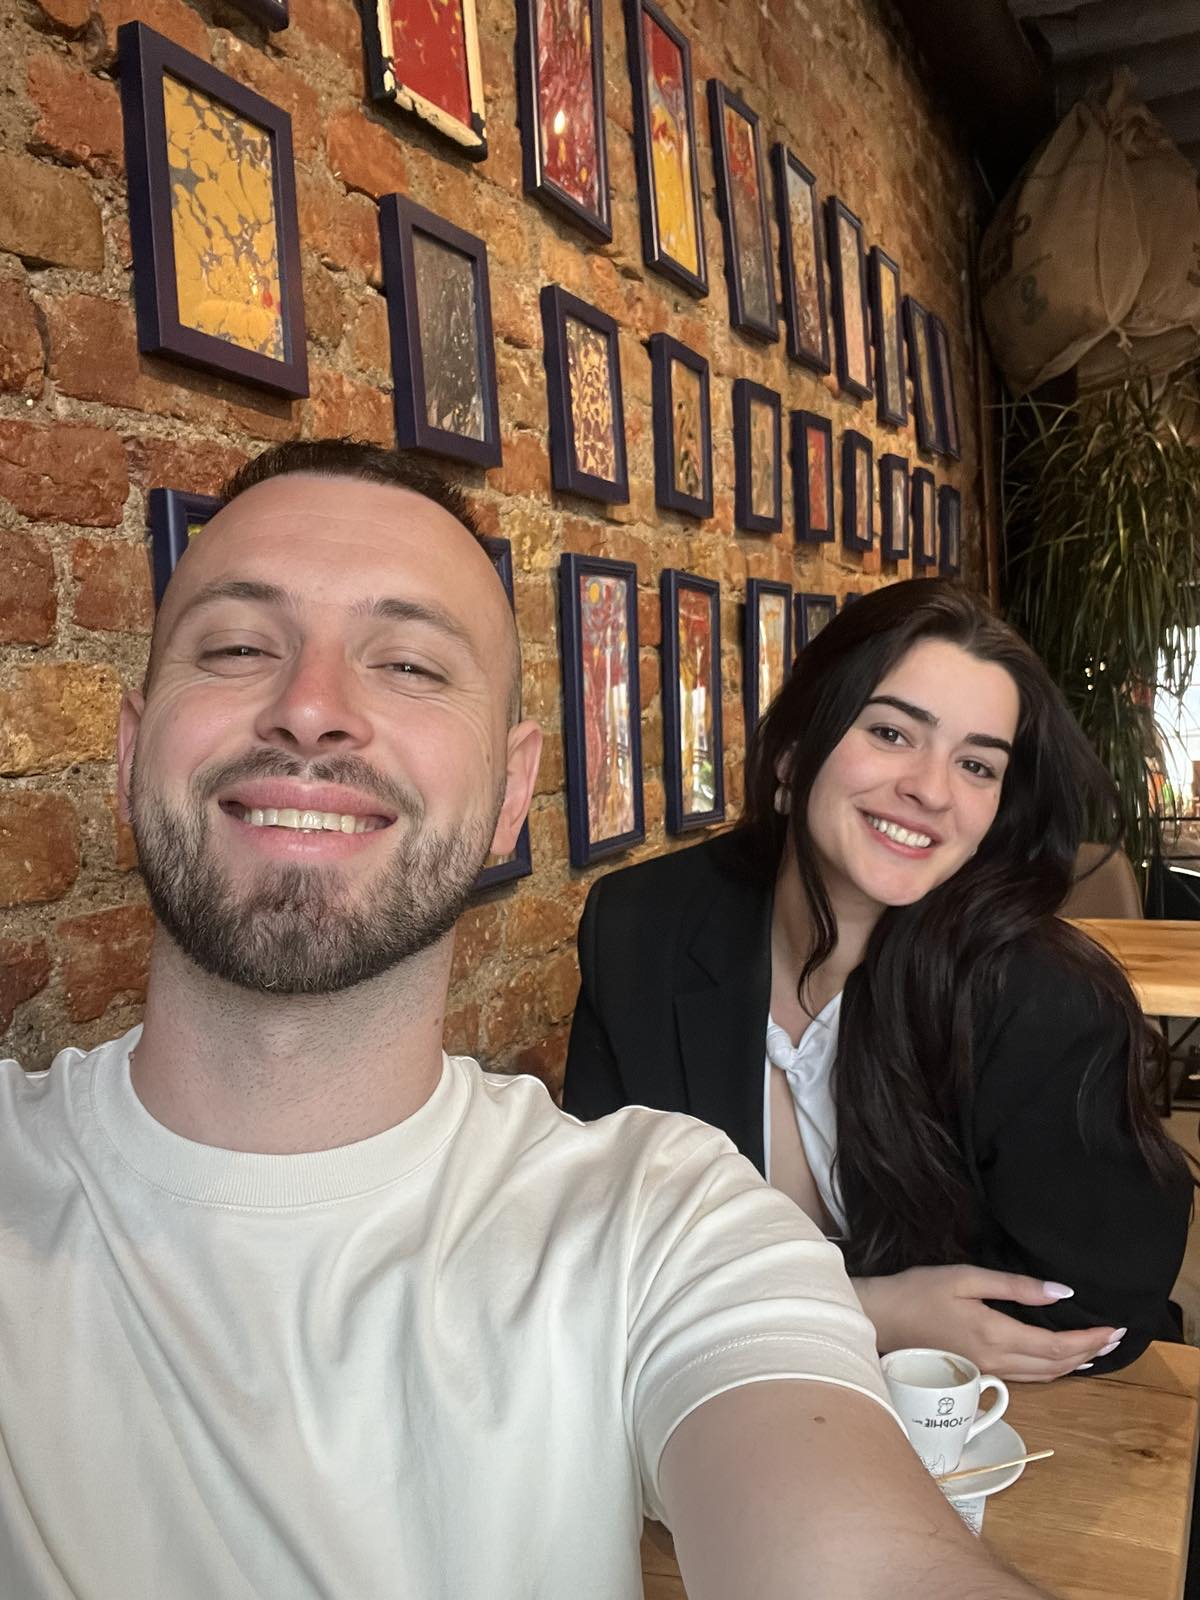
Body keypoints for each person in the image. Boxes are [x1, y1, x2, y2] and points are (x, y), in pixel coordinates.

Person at [0, 443, 1051, 1600]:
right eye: (240, 647)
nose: (309, 708)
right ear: (128, 751)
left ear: (510, 796)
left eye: (409, 664)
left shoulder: (663, 1222)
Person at [565, 579, 1193, 1384]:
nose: (931, 789)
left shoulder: (1041, 997)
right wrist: (872, 1308)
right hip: (692, 1396)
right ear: (793, 752)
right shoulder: (643, 928)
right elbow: (598, 1244)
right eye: (892, 733)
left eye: (976, 765)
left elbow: (1099, 1307)